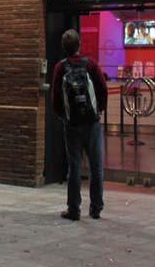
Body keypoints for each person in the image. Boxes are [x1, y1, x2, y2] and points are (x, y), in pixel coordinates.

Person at [51, 29, 108, 221]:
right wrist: (99, 110)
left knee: (74, 166)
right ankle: (96, 208)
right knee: (96, 166)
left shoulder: (60, 67)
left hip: (72, 125)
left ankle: (74, 209)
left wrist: (65, 117)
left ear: (63, 47)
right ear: (79, 45)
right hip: (92, 123)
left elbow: (55, 99)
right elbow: (102, 88)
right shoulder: (90, 64)